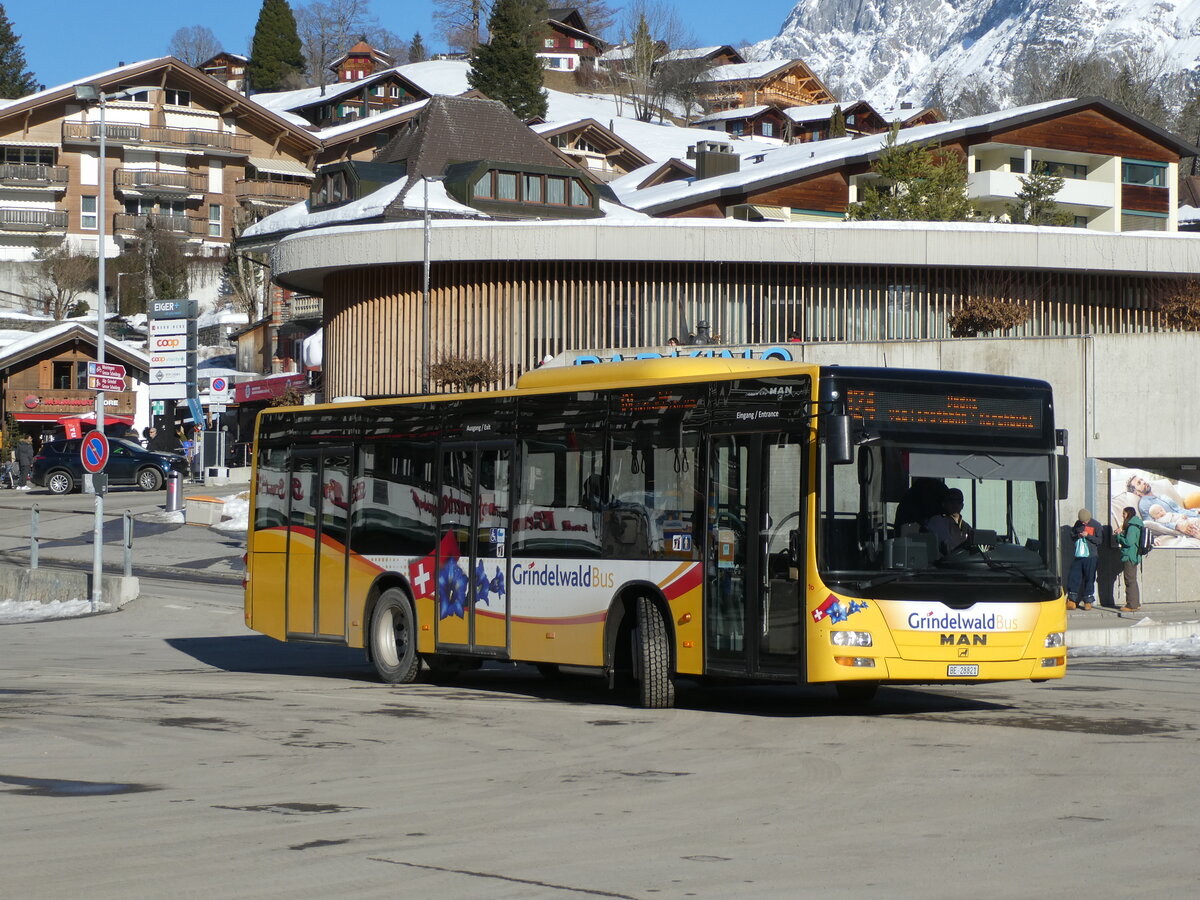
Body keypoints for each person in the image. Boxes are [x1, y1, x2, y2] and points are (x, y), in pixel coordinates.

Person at [1066, 508, 1102, 610]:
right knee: (1074, 576)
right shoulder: (1078, 524)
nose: (1083, 523)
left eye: (1085, 521)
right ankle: (1072, 600)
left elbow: (1099, 541)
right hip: (1079, 555)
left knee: (1089, 578)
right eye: (1082, 521)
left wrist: (1088, 536)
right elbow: (1072, 536)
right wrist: (1078, 535)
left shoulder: (1096, 525)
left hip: (1091, 556)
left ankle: (1087, 601)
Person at [1126, 474, 1200, 521]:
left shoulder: (1160, 495)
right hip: (1186, 522)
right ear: (1136, 492)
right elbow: (1152, 524)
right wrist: (1175, 526)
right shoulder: (1144, 504)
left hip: (1194, 515)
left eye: (1141, 479)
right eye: (1139, 483)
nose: (1143, 482)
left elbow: (1179, 509)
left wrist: (1195, 511)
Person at [926, 487, 973, 554]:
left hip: (964, 561)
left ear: (962, 505)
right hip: (944, 562)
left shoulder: (966, 526)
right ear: (944, 504)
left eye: (958, 501)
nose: (955, 504)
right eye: (951, 501)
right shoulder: (937, 521)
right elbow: (948, 544)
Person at [1115, 505, 1143, 612]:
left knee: (1129, 580)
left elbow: (1129, 542)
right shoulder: (1137, 525)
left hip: (1129, 556)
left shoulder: (1132, 527)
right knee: (1133, 580)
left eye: (1124, 513)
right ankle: (1135, 603)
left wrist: (1119, 536)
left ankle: (1131, 605)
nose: (1123, 515)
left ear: (1129, 514)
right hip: (1134, 555)